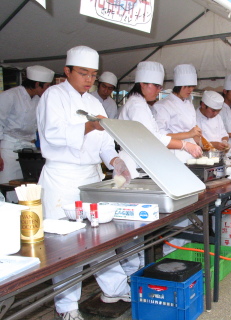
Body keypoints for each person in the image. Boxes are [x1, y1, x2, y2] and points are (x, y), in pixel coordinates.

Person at [37, 45, 131, 320]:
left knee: (102, 238)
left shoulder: (94, 102)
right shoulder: (53, 96)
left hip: (91, 176)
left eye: (93, 74)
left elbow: (104, 143)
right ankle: (67, 307)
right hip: (62, 177)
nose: (89, 80)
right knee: (67, 246)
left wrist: (115, 162)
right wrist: (90, 126)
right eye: (83, 73)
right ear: (67, 71)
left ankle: (113, 289)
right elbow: (53, 134)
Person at [119, 61, 202, 178]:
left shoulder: (141, 104)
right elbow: (153, 137)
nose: (159, 91)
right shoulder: (136, 106)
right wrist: (185, 145)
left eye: (160, 87)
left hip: (142, 161)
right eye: (156, 86)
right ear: (143, 84)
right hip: (134, 164)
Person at [0, 65, 54, 183]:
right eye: (46, 86)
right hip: (9, 148)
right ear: (36, 84)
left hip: (29, 149)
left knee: (28, 187)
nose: (48, 89)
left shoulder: (38, 100)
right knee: (8, 184)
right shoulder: (10, 95)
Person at [153, 64, 201, 163]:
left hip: (191, 154)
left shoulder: (189, 104)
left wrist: (200, 140)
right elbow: (160, 136)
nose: (190, 90)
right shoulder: (163, 105)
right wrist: (188, 134)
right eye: (187, 86)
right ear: (178, 85)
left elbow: (193, 131)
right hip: (174, 156)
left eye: (192, 86)